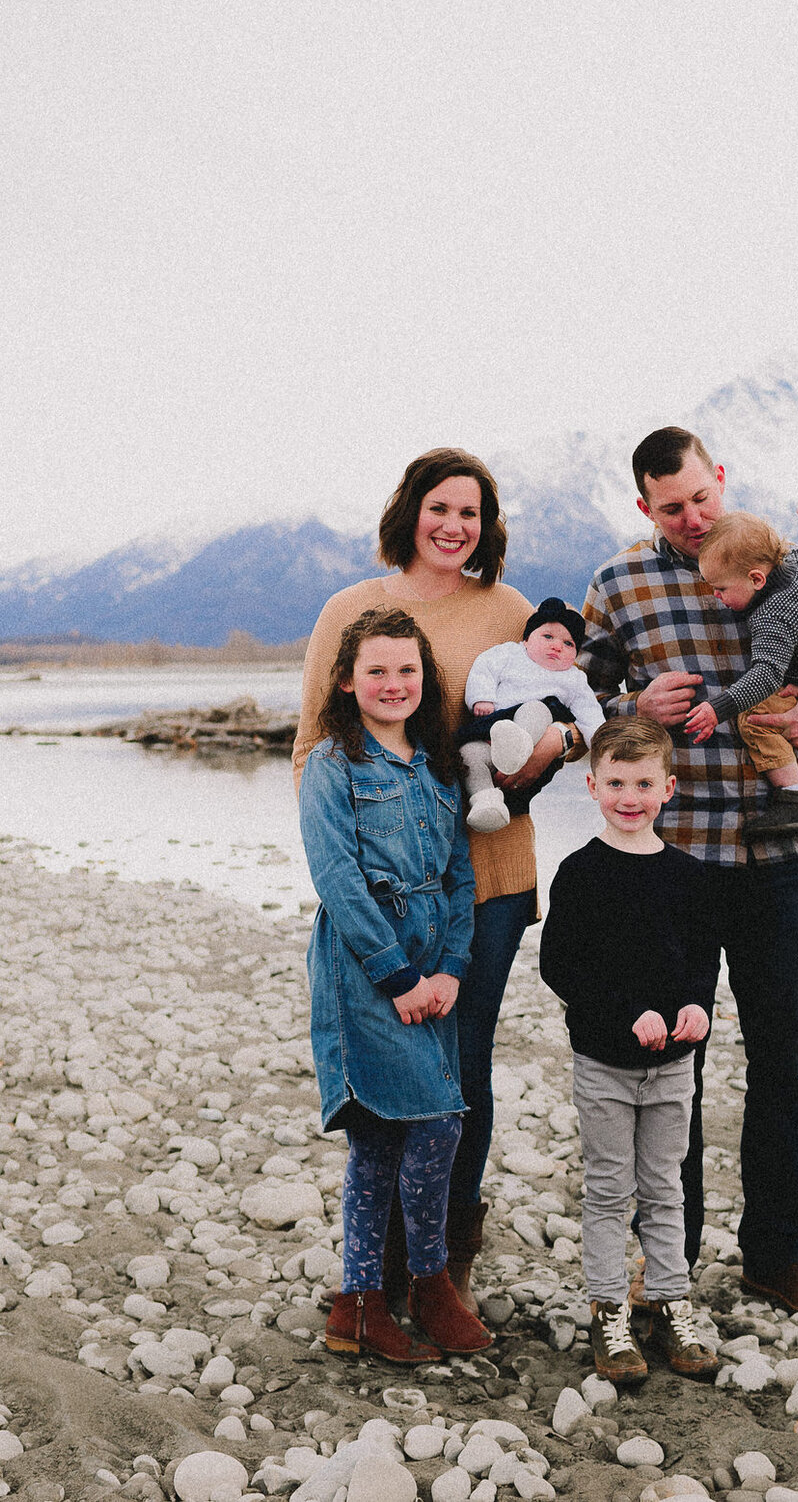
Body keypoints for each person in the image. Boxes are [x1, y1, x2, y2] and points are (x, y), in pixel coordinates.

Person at [578, 427, 798, 1318]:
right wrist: (627, 705)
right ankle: (668, 1262)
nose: (692, 519)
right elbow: (572, 700)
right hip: (668, 863)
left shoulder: (788, 561)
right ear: (643, 508)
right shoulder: (619, 585)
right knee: (669, 1062)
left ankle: (775, 1256)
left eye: (700, 497)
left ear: (719, 479)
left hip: (782, 858)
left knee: (784, 1067)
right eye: (671, 507)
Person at [295, 448, 579, 1303]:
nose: (456, 526)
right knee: (388, 1064)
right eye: (440, 507)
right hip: (383, 894)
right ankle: (376, 1270)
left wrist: (551, 749)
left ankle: (448, 1254)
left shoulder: (513, 610)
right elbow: (313, 743)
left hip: (488, 872)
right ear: (409, 511)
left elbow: (562, 721)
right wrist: (343, 876)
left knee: (461, 1064)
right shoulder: (351, 609)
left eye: (473, 512)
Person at [298, 607, 492, 1360]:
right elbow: (337, 879)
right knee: (427, 1121)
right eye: (376, 669)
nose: (393, 682)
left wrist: (449, 968)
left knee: (387, 1138)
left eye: (406, 669)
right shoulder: (331, 766)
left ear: (425, 679)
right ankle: (429, 1284)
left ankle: (358, 1305)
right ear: (346, 681)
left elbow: (457, 875)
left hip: (431, 969)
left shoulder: (439, 768)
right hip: (365, 969)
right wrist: (400, 975)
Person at [539, 716, 724, 1386]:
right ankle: (608, 1307)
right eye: (616, 781)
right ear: (591, 785)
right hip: (605, 1064)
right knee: (611, 1187)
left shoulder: (687, 875)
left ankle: (672, 1299)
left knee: (666, 1185)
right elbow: (560, 963)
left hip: (675, 1065)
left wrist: (698, 1004)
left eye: (644, 782)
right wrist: (628, 1012)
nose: (630, 795)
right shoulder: (581, 873)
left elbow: (703, 955)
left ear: (667, 787)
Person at [683, 508, 798, 838]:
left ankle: (795, 801)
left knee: (756, 720)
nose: (716, 596)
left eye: (722, 588)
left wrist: (718, 708)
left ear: (756, 579)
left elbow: (767, 674)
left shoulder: (772, 614)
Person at [457, 597, 604, 833]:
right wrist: (482, 697)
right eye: (548, 637)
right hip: (491, 734)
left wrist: (600, 742)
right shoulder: (509, 654)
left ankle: (517, 744)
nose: (557, 646)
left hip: (533, 747)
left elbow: (589, 711)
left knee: (535, 709)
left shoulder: (573, 678)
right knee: (468, 754)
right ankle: (486, 801)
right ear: (526, 639)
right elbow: (484, 668)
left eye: (568, 644)